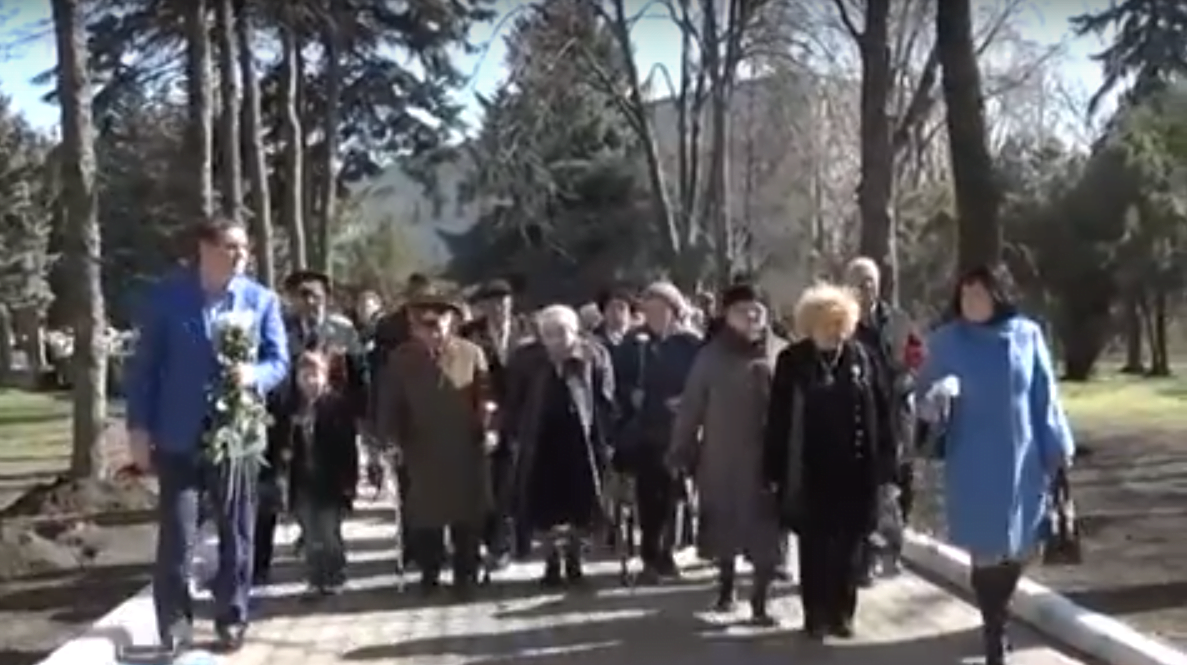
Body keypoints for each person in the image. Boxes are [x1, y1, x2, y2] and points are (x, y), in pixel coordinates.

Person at [124, 214, 289, 654]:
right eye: (230, 247)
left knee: (238, 534)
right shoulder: (168, 298)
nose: (240, 256)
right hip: (179, 436)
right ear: (205, 249)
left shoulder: (261, 300)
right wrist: (138, 427)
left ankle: (232, 618)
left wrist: (253, 375)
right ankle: (175, 624)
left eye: (245, 248)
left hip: (237, 437)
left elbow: (279, 361)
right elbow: (144, 369)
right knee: (178, 536)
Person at [916, 264, 1074, 665]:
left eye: (979, 293)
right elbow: (921, 401)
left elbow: (1044, 395)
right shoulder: (946, 341)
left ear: (998, 296)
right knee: (986, 550)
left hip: (1023, 461)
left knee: (1023, 547)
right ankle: (993, 629)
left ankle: (998, 611)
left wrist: (1057, 447)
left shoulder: (1026, 334)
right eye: (965, 293)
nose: (971, 301)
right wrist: (937, 398)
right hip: (974, 462)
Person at [763, 281, 896, 640]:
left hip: (855, 468)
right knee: (814, 546)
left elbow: (883, 413)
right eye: (826, 324)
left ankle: (842, 613)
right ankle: (815, 613)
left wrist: (887, 466)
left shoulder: (863, 359)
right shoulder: (792, 362)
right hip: (808, 469)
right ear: (810, 325)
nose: (834, 332)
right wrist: (773, 470)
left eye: (840, 324)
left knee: (850, 545)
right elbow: (778, 419)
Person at [669, 283, 785, 624]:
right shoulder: (711, 357)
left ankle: (761, 602)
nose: (751, 316)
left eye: (757, 310)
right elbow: (691, 406)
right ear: (727, 316)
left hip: (770, 458)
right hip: (723, 456)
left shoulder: (781, 353)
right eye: (742, 310)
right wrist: (681, 449)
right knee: (725, 525)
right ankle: (726, 587)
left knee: (767, 533)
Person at [376, 286, 494, 598]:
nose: (434, 332)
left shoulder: (471, 353)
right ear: (415, 327)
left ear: (451, 322)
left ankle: (465, 575)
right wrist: (390, 440)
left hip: (464, 447)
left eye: (439, 323)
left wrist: (490, 422)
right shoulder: (401, 359)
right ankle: (430, 572)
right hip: (422, 448)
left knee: (466, 515)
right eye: (425, 325)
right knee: (426, 515)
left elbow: (486, 394)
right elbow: (390, 404)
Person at [512, 305, 616, 586]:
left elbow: (605, 400)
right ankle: (550, 561)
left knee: (581, 505)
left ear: (575, 332)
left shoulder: (594, 355)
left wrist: (607, 440)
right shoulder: (527, 359)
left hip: (581, 440)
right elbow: (516, 399)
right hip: (542, 440)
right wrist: (517, 433)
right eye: (548, 334)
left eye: (561, 333)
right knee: (544, 508)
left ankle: (574, 558)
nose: (555, 340)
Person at [617, 281, 701, 583]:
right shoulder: (634, 343)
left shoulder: (690, 344)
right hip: (646, 431)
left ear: (674, 311)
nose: (653, 315)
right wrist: (630, 394)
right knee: (648, 496)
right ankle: (650, 556)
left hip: (678, 429)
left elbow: (701, 381)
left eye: (660, 309)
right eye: (648, 309)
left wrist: (687, 400)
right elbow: (618, 380)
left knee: (674, 496)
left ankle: (668, 551)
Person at [845, 257, 916, 581]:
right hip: (859, 416)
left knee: (899, 484)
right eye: (858, 283)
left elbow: (917, 357)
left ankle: (892, 549)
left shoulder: (898, 321)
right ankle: (864, 558)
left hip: (896, 413)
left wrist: (910, 377)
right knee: (863, 487)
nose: (865, 288)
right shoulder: (842, 324)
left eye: (869, 281)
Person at [275, 350, 359, 598]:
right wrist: (284, 457)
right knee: (310, 533)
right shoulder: (293, 409)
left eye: (315, 375)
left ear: (325, 376)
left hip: (330, 481)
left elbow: (348, 447)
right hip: (302, 481)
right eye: (305, 376)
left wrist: (349, 482)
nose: (310, 381)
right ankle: (315, 577)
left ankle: (335, 574)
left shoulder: (336, 405)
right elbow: (282, 441)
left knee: (329, 531)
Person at [461, 279, 531, 569]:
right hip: (485, 416)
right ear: (483, 306)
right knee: (487, 484)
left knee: (512, 483)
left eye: (504, 302)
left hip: (521, 415)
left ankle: (505, 543)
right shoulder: (470, 333)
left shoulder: (527, 329)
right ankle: (488, 539)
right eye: (493, 303)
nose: (500, 309)